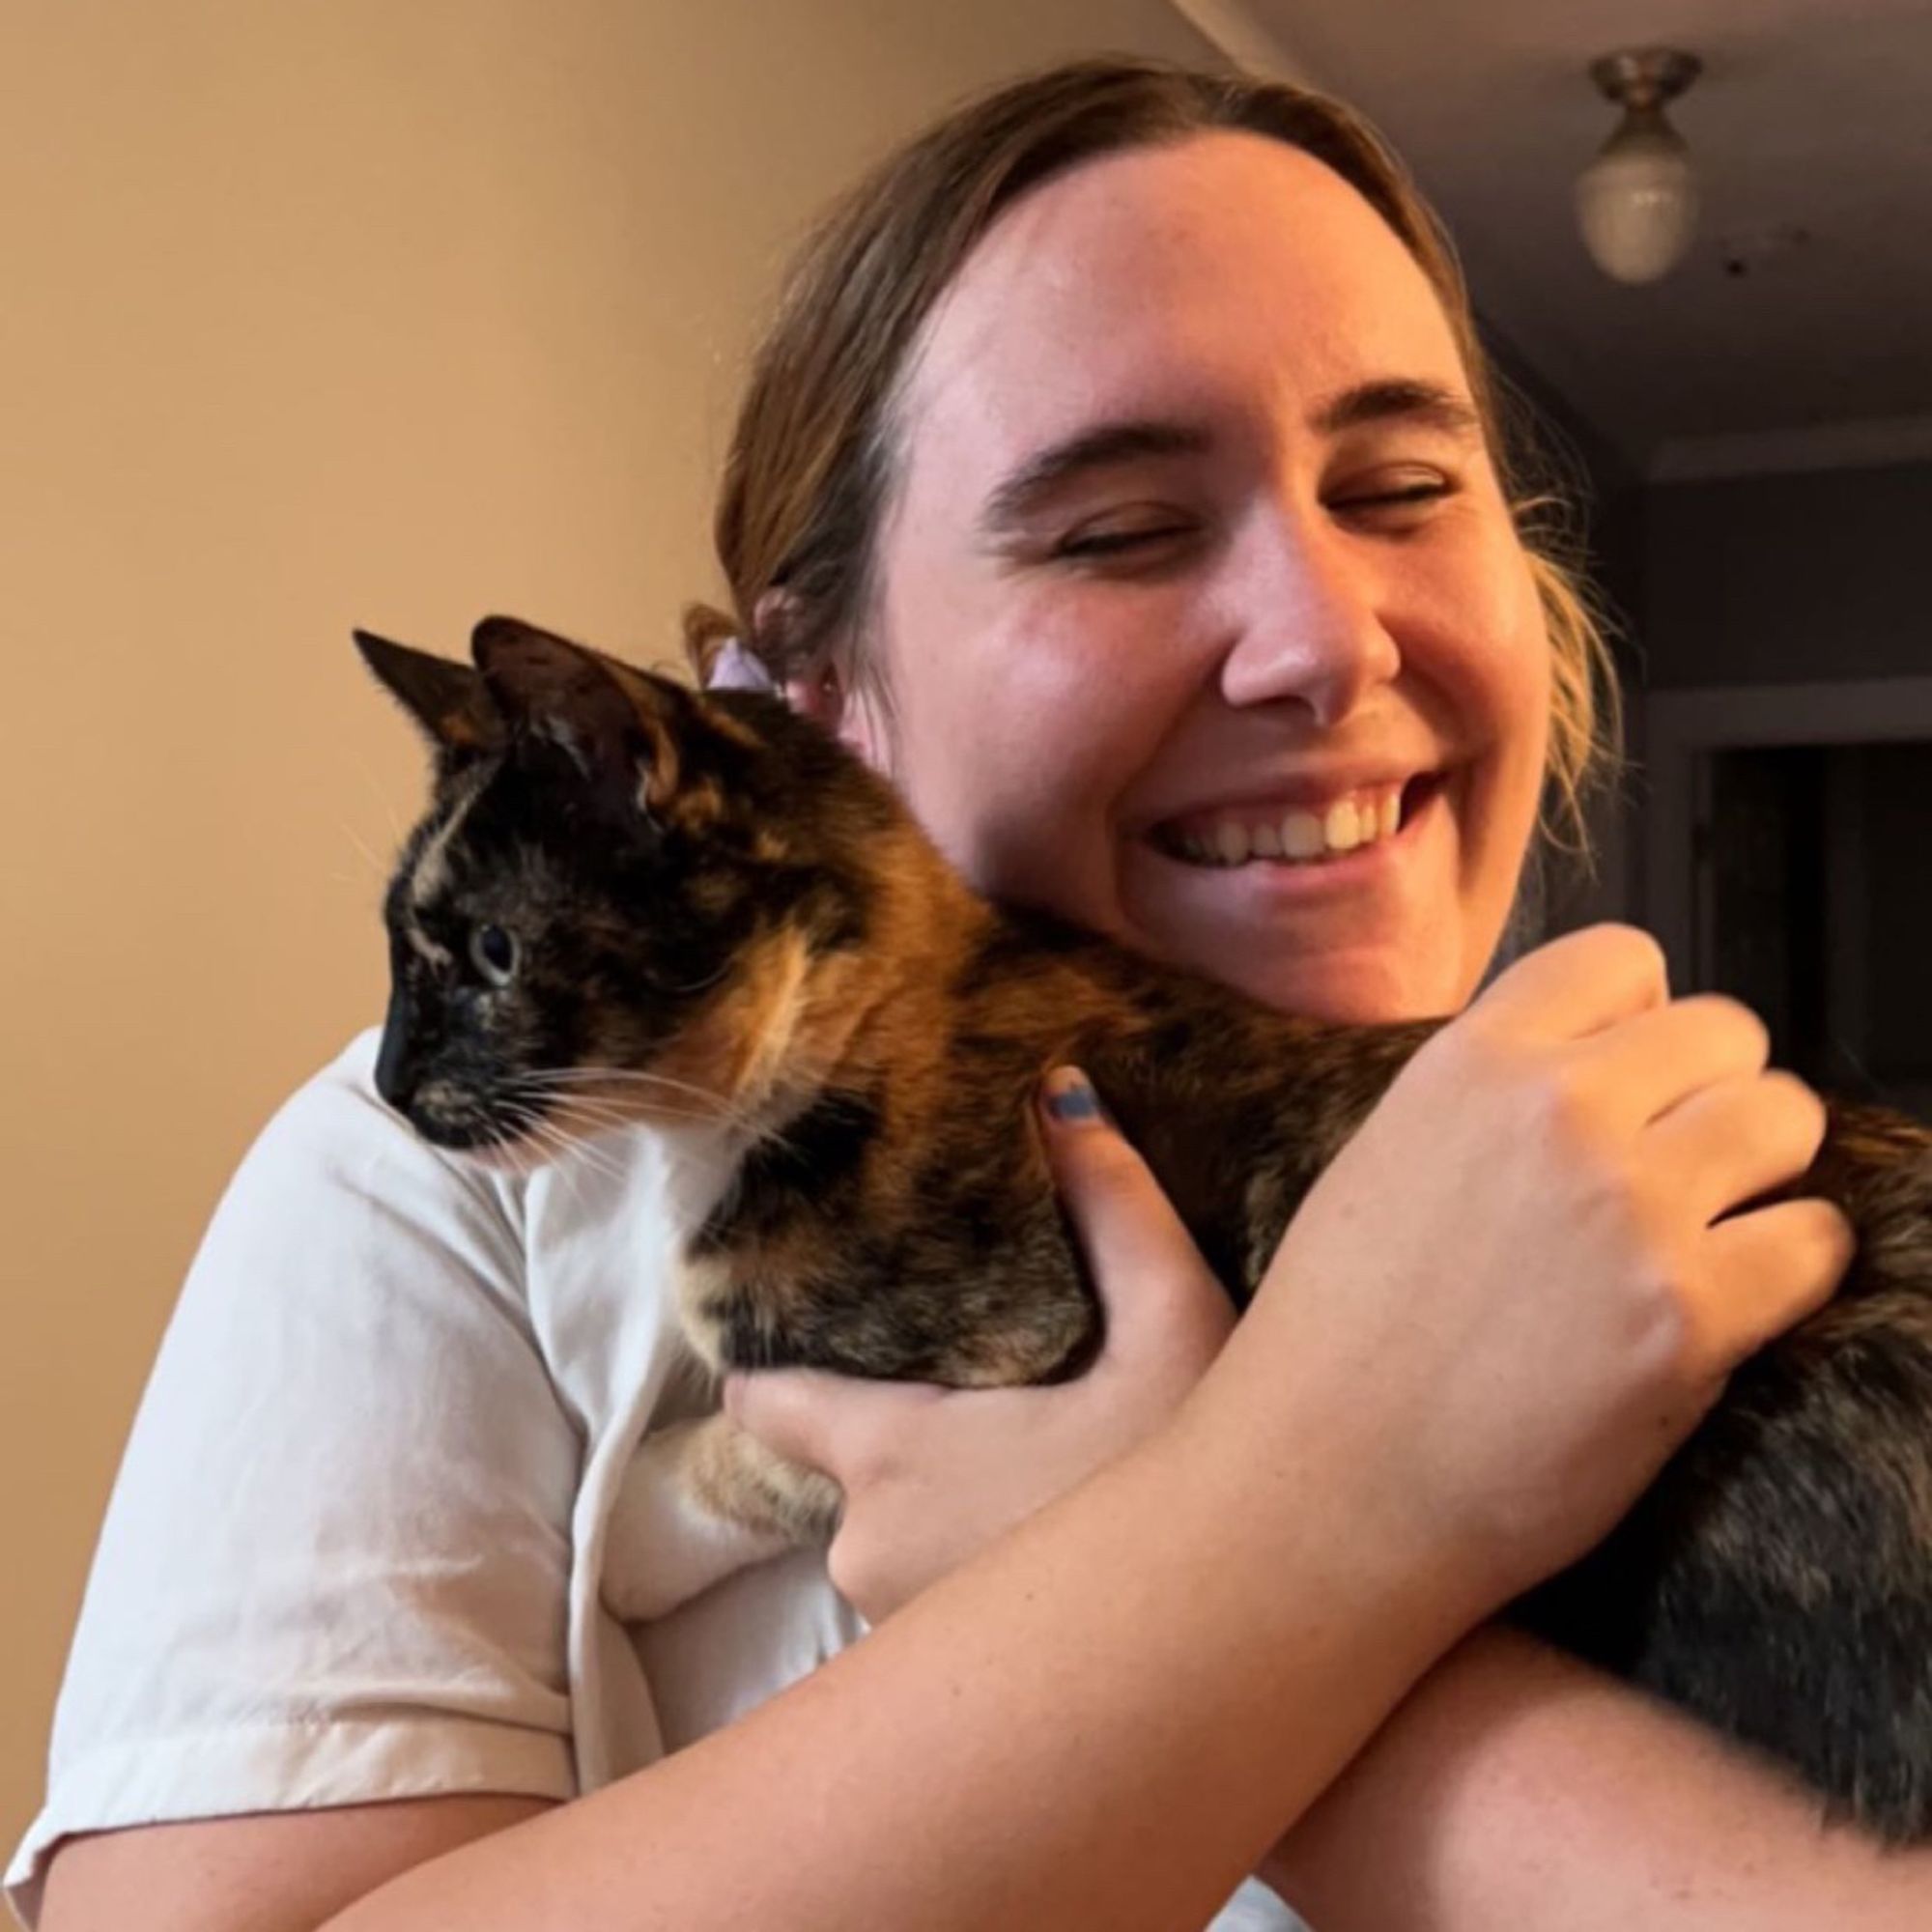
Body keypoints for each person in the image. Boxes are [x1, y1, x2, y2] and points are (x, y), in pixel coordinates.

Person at [18, 55, 1924, 1932]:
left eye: (1407, 485)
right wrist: (1307, 1513)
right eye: (1115, 530)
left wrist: (1225, 1548)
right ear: (814, 702)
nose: (1327, 640)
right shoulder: (480, 1200)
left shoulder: (1695, 1197)